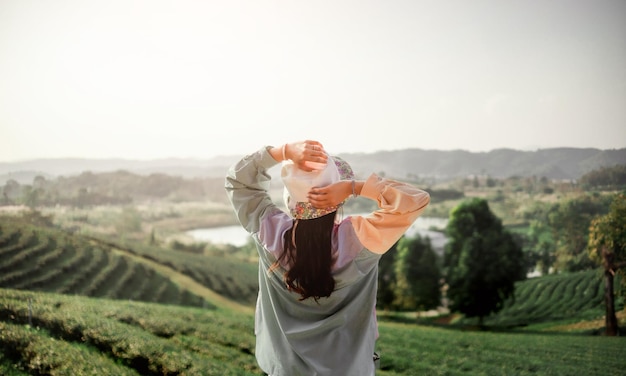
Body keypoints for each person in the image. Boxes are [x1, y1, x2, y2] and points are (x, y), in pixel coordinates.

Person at [225, 140, 430, 376]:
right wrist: (355, 187)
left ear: (290, 199)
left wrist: (282, 152)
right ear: (338, 200)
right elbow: (416, 200)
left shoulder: (269, 231)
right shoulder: (362, 238)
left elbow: (237, 181)